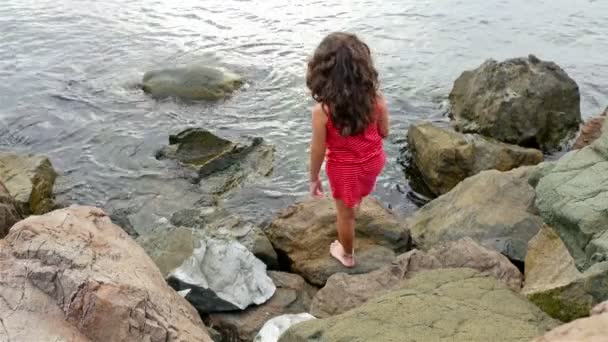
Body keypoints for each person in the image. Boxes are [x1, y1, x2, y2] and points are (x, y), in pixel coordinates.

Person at [306, 32, 389, 268]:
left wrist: (314, 178)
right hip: (373, 161)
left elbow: (318, 149)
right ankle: (357, 202)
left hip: (344, 171)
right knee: (358, 193)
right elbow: (384, 133)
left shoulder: (322, 111)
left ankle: (347, 255)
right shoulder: (377, 100)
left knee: (345, 215)